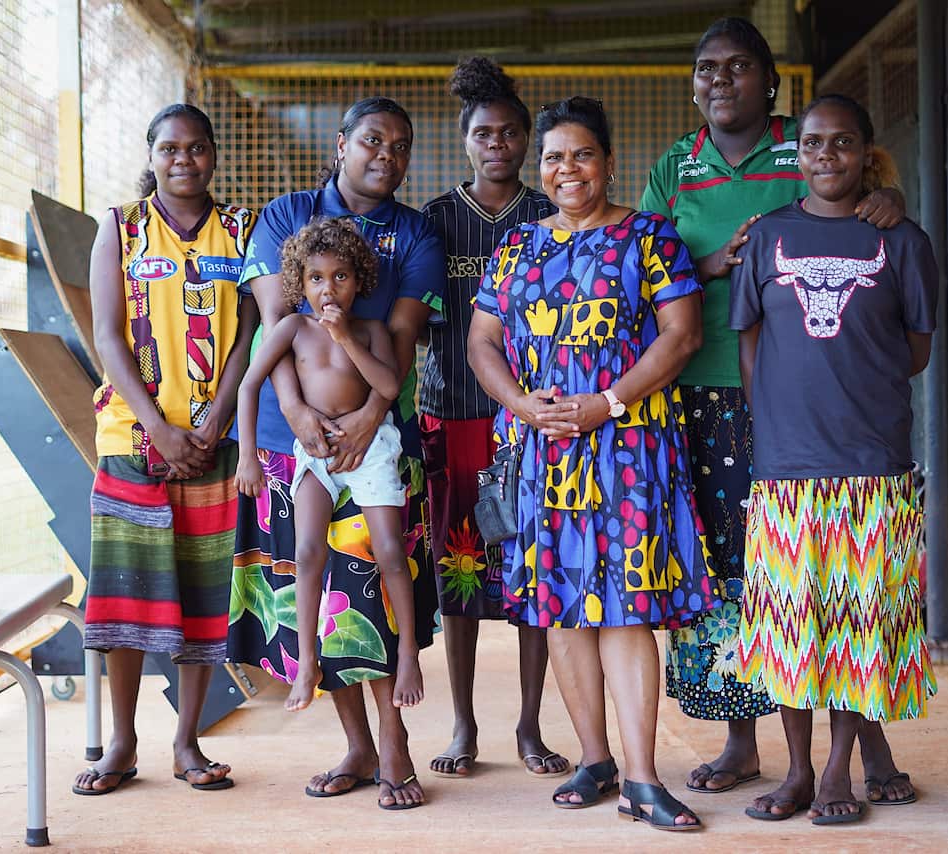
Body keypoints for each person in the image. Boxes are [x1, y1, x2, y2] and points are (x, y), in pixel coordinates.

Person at [641, 16, 917, 808]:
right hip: (697, 393)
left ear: (770, 82)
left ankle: (868, 745)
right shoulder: (675, 166)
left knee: (837, 575)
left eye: (735, 67)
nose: (718, 80)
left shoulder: (809, 144)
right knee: (735, 575)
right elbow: (642, 270)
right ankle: (741, 739)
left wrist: (888, 196)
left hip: (807, 401)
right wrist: (712, 261)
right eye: (705, 69)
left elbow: (856, 191)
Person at [468, 96, 718, 832]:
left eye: (581, 154)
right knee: (563, 609)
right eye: (553, 157)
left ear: (609, 163)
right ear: (538, 169)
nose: (566, 168)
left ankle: (641, 777)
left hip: (628, 446)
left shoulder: (649, 237)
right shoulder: (516, 246)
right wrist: (519, 405)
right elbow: (482, 340)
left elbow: (682, 335)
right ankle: (593, 759)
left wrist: (606, 401)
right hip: (542, 449)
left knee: (626, 606)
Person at [226, 97, 444, 811]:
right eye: (373, 140)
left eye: (401, 144)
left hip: (373, 435)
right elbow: (275, 325)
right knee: (321, 589)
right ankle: (356, 742)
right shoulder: (286, 215)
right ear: (341, 145)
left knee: (377, 581)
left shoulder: (413, 233)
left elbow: (400, 346)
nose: (387, 154)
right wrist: (297, 414)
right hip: (296, 441)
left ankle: (395, 741)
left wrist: (367, 417)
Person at [732, 93, 938, 825]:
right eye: (814, 144)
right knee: (788, 626)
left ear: (866, 150)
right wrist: (775, 417)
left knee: (856, 624)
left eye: (842, 143)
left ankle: (836, 776)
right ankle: (793, 772)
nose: (827, 156)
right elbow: (748, 337)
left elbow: (914, 350)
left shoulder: (903, 240)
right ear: (799, 154)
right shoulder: (767, 239)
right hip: (786, 465)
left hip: (871, 460)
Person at [75, 104, 256, 795]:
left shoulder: (241, 229)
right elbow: (108, 335)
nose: (184, 160)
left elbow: (249, 334)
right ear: (151, 156)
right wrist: (158, 426)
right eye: (170, 149)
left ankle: (187, 741)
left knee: (202, 593)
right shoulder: (119, 228)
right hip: (132, 439)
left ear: (214, 155)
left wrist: (215, 423)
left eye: (197, 148)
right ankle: (121, 744)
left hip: (211, 438)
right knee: (128, 601)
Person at [419, 56, 568, 781]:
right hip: (454, 416)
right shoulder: (438, 221)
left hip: (534, 423)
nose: (499, 144)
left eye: (512, 133)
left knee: (531, 577)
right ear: (467, 140)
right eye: (486, 132)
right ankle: (463, 724)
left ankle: (531, 727)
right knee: (462, 580)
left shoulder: (549, 215)